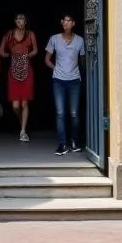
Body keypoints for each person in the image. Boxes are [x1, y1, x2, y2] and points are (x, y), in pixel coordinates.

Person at [45, 14, 85, 156]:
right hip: (58, 81)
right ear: (61, 23)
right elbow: (47, 59)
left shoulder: (80, 40)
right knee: (60, 113)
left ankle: (74, 142)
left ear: (73, 23)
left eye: (69, 21)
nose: (66, 23)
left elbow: (83, 61)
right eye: (64, 20)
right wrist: (54, 68)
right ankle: (62, 144)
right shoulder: (54, 39)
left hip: (74, 80)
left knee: (74, 113)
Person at [0, 13, 38, 141]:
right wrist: (10, 55)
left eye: (23, 19)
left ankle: (22, 131)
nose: (20, 22)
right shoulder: (9, 34)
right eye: (18, 19)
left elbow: (35, 50)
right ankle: (23, 123)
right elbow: (1, 51)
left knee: (25, 102)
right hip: (13, 71)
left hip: (27, 69)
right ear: (15, 21)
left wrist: (27, 56)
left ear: (26, 22)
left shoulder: (30, 34)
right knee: (16, 105)